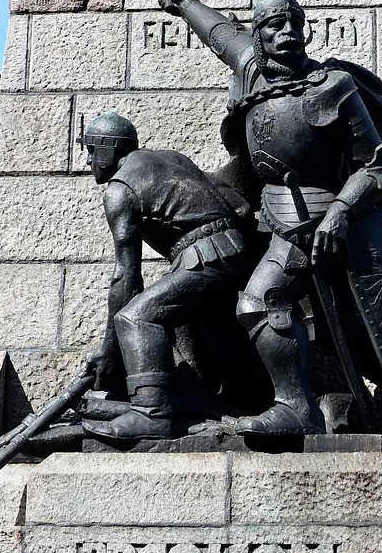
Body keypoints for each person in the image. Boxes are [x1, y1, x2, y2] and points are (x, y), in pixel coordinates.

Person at [154, 0, 382, 437]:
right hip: (271, 217)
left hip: (323, 221)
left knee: (274, 307)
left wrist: (340, 212)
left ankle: (338, 411)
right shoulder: (254, 74)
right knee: (248, 304)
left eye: (294, 25)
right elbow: (219, 35)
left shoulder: (332, 86)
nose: (287, 33)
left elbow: (377, 166)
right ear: (260, 37)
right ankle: (287, 405)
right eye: (275, 26)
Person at [84, 111, 255, 442]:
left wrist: (109, 347)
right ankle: (240, 404)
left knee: (136, 318)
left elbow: (126, 277)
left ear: (107, 148)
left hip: (204, 255)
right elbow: (240, 207)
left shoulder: (119, 190)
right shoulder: (170, 158)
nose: (88, 159)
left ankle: (151, 413)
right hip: (235, 248)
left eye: (91, 149)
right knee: (212, 335)